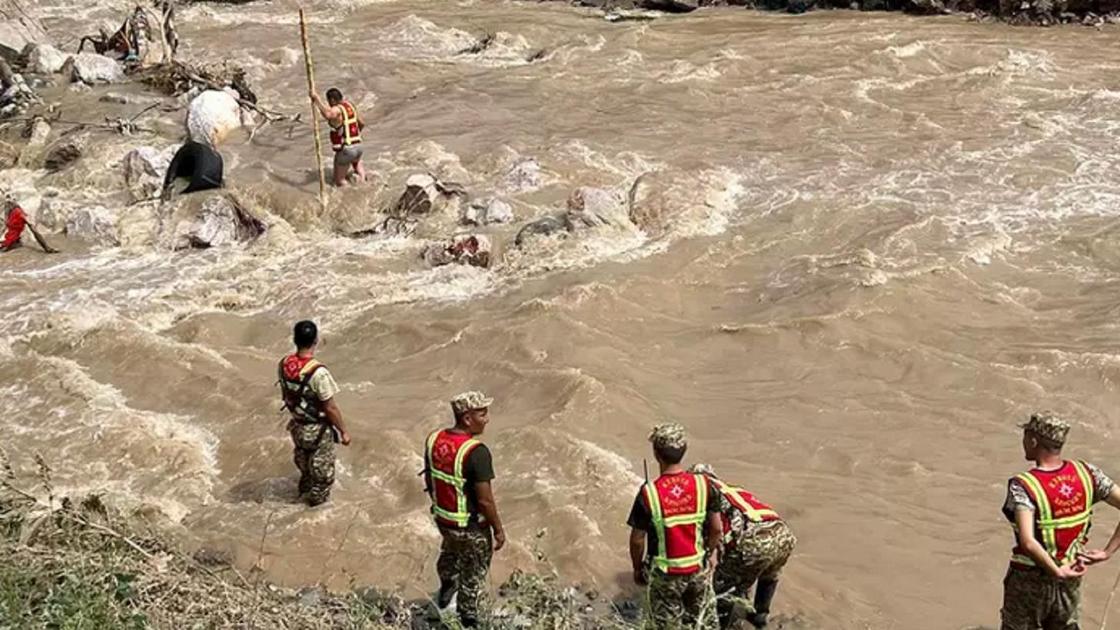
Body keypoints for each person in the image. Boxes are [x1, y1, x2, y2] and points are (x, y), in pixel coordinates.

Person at [1000, 411, 1120, 630]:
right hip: (1071, 576)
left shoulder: (1024, 485)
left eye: (1026, 436)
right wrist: (1107, 552)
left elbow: (1028, 542)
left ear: (1033, 440)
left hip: (1029, 581)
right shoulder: (1087, 473)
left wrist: (1055, 571)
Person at [423, 391, 506, 628]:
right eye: (482, 413)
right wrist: (498, 530)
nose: (487, 419)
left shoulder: (434, 439)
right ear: (467, 418)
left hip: (444, 521)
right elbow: (485, 501)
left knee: (449, 555)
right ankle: (468, 619)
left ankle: (447, 589)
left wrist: (440, 508)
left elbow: (430, 479)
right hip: (471, 528)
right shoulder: (476, 452)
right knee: (474, 575)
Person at [628, 423, 722, 630]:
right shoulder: (704, 485)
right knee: (704, 622)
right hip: (698, 568)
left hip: (665, 574)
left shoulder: (648, 493)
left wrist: (637, 569)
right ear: (684, 450)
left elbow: (637, 540)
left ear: (656, 454)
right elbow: (716, 529)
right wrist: (710, 553)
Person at [690, 464, 795, 629]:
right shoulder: (734, 490)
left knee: (724, 588)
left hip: (754, 541)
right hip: (783, 534)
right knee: (769, 574)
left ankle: (724, 625)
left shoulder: (707, 495)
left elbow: (715, 532)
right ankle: (760, 618)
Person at [278, 320, 350, 507]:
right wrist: (343, 431)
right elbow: (330, 408)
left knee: (306, 469)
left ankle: (300, 498)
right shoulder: (318, 373)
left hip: (297, 426)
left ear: (295, 339)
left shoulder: (284, 364)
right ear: (315, 341)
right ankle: (312, 511)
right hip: (317, 431)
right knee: (322, 478)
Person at [309, 87, 366, 187]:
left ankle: (349, 196)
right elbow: (362, 123)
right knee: (359, 172)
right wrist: (354, 135)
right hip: (359, 146)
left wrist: (316, 99)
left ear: (332, 100)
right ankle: (364, 186)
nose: (329, 105)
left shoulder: (337, 109)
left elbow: (328, 114)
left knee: (339, 181)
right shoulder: (350, 106)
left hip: (347, 149)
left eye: (329, 102)